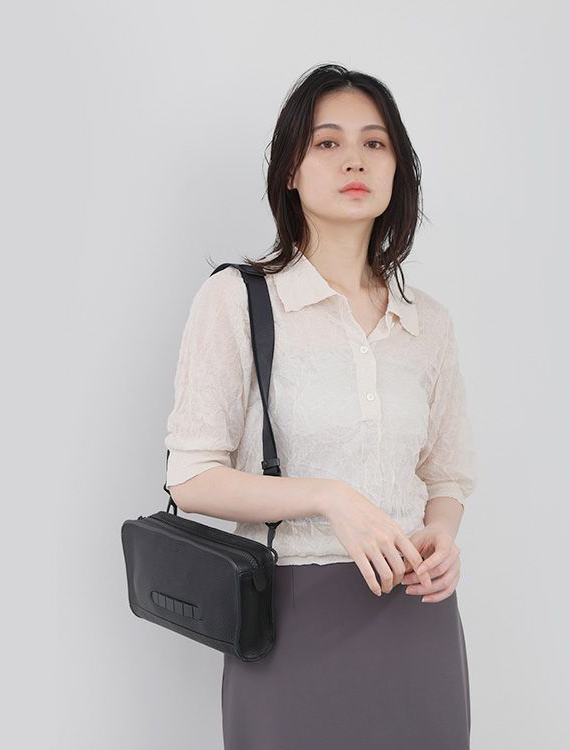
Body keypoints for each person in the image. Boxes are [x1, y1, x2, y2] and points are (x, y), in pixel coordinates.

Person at [164, 63, 478, 750]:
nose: (354, 160)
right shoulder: (239, 300)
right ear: (290, 170)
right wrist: (328, 497)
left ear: (398, 170)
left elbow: (447, 476)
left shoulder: (427, 323)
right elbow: (190, 477)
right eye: (327, 143)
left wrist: (442, 537)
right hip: (290, 617)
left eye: (375, 142)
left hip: (418, 620)